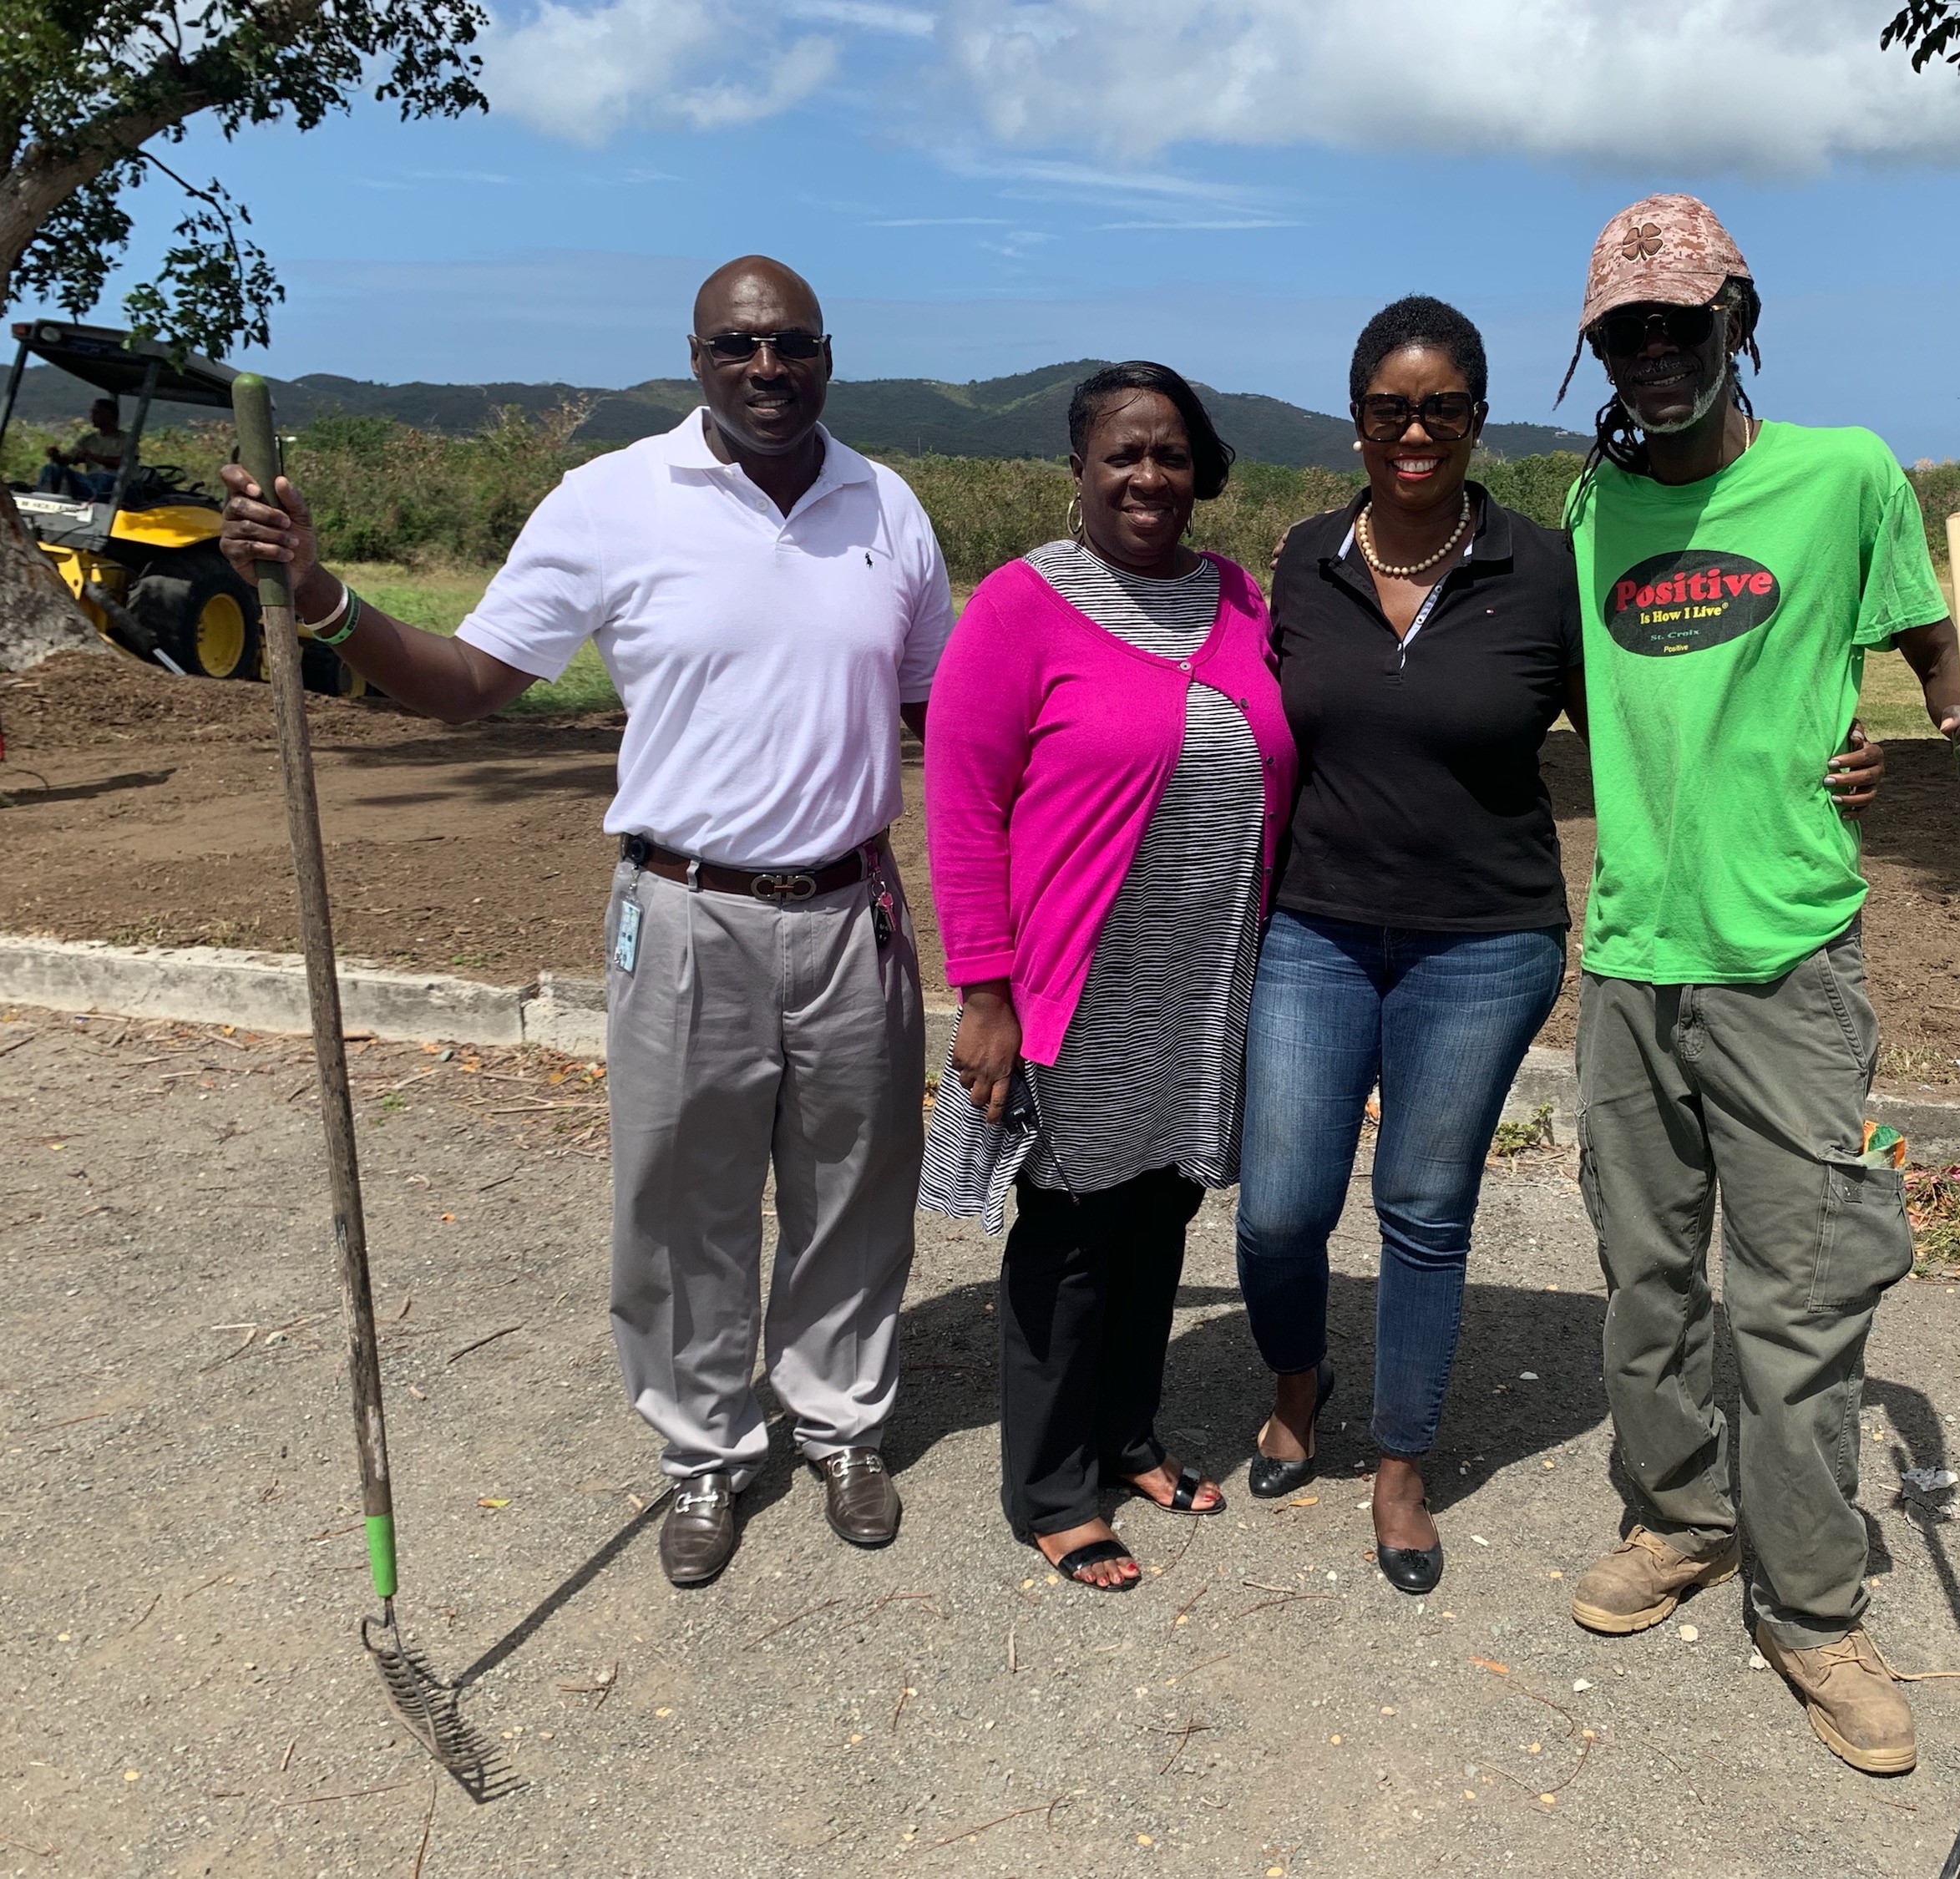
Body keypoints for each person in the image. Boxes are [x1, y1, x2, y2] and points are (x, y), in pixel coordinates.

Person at [218, 256, 951, 1588]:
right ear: (696, 361)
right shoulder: (610, 502)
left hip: (855, 912)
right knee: (678, 1203)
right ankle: (705, 1453)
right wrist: (325, 598)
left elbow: (931, 714)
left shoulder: (887, 508)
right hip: (683, 909)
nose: (767, 369)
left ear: (829, 355)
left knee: (857, 1187)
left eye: (790, 344)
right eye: (739, 348)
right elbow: (469, 684)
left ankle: (842, 1422)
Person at [1236, 297, 1884, 1596]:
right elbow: (1250, 721)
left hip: (1482, 940)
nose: (1414, 432)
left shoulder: (1546, 561)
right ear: (1355, 419)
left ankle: (1403, 1464)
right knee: (1280, 1206)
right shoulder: (1302, 556)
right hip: (1314, 928)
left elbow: (1651, 706)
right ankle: (1297, 1383)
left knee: (1424, 1208)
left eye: (1444, 410)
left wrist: (1810, 750)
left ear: (1478, 419)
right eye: (1388, 409)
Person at [1554, 195, 1960, 1775]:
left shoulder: (1843, 478)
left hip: (1788, 961)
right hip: (1629, 958)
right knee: (1644, 1283)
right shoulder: (1586, 517)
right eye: (1625, 336)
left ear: (1739, 321)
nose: (1654, 358)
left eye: (1680, 326)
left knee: (1802, 1295)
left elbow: (1931, 650)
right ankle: (1681, 1517)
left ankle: (1815, 1610)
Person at [921, 362, 1297, 1591]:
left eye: (1173, 454)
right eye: (1123, 454)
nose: (1150, 475)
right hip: (1076, 984)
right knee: (1073, 1236)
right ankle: (1051, 1483)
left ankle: (1129, 1434)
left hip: (1201, 985)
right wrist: (983, 990)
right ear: (1079, 470)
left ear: (1204, 471)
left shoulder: (1234, 596)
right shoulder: (1023, 605)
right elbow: (965, 805)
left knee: (1159, 1219)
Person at [38, 398, 124, 498]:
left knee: (105, 477)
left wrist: (91, 456)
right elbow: (68, 458)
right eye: (92, 413)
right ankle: (43, 499)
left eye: (97, 413)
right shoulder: (87, 440)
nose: (92, 416)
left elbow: (122, 463)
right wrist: (56, 456)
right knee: (51, 468)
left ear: (110, 415)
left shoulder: (126, 440)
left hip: (114, 485)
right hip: (90, 483)